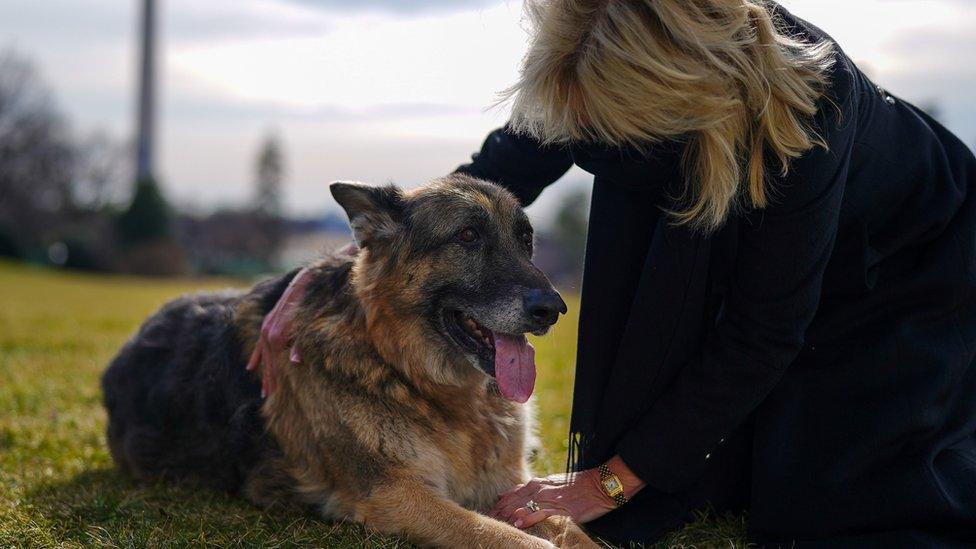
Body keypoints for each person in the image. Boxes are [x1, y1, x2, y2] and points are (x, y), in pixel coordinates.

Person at [249, 1, 976, 546]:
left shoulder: (809, 116)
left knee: (835, 505)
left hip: (913, 257)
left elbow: (763, 329)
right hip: (772, 237)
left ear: (674, 105)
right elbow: (492, 174)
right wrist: (341, 269)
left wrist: (607, 481)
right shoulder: (597, 39)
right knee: (705, 479)